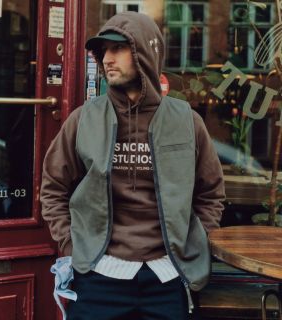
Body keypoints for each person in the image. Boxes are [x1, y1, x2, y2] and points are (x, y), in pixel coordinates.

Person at [40, 11, 225, 320]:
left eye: (118, 49)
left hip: (167, 276)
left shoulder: (186, 121)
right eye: (103, 52)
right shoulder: (84, 119)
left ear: (145, 53)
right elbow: (52, 188)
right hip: (99, 273)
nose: (107, 59)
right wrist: (73, 246)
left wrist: (195, 242)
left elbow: (211, 194)